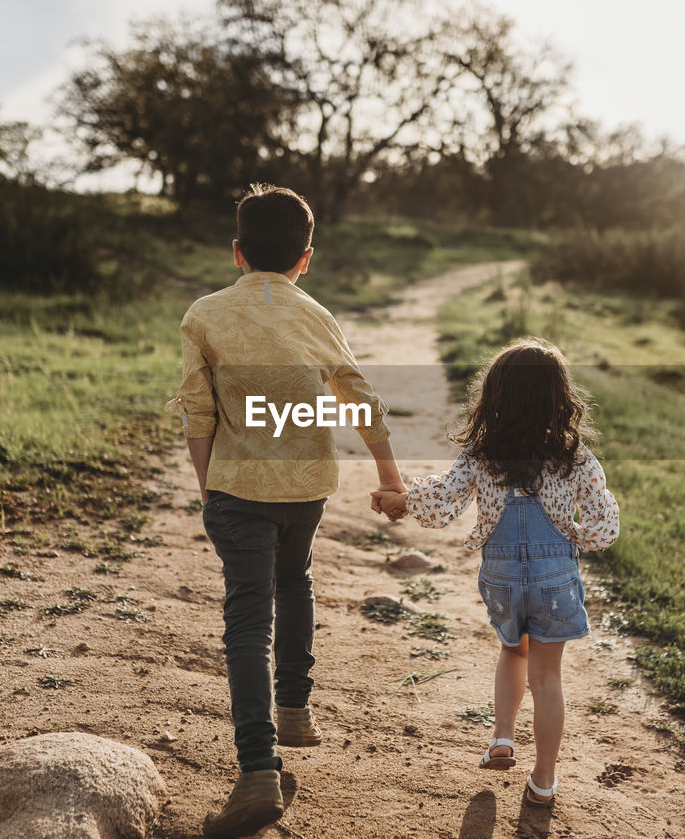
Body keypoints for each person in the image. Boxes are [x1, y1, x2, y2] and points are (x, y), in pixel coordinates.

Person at [168, 184, 406, 836]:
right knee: (294, 578)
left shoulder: (205, 315)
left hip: (239, 489)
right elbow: (360, 399)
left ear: (237, 253)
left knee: (247, 618)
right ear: (307, 258)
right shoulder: (318, 315)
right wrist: (389, 477)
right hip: (306, 488)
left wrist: (206, 484)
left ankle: (255, 772)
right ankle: (295, 706)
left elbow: (198, 409)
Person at [371, 338, 619, 807]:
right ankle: (543, 781)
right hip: (554, 579)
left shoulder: (483, 453)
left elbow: (444, 501)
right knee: (547, 678)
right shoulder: (574, 456)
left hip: (502, 576)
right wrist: (570, 536)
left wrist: (401, 500)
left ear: (495, 397)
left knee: (512, 651)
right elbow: (605, 527)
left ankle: (502, 738)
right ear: (560, 398)